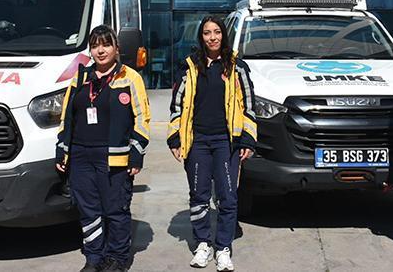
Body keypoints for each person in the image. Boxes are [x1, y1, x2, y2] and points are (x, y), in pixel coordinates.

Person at [56, 25, 151, 272]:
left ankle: (117, 258)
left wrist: (136, 153)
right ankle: (94, 257)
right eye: (95, 45)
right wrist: (62, 149)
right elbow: (67, 117)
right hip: (81, 156)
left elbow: (142, 118)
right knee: (88, 211)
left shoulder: (130, 77)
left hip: (114, 158)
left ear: (116, 48)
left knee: (115, 210)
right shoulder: (80, 78)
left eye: (106, 44)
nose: (100, 50)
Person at [167, 16, 256, 272]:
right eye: (207, 33)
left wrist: (248, 138)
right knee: (199, 196)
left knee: (227, 196)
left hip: (226, 143)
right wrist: (175, 137)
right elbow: (177, 106)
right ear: (201, 37)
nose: (212, 37)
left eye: (217, 32)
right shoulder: (189, 67)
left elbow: (249, 105)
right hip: (198, 142)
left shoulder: (237, 67)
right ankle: (203, 244)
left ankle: (223, 248)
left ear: (223, 35)